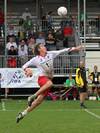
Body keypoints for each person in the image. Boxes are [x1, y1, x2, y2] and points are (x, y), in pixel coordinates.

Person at [16, 43, 83, 123]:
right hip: (42, 79)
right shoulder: (36, 59)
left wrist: (75, 48)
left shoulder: (50, 54)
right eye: (42, 46)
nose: (44, 47)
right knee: (50, 84)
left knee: (38, 102)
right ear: (39, 49)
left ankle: (23, 113)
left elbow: (63, 50)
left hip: (48, 80)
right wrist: (27, 70)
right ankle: (32, 96)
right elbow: (24, 66)